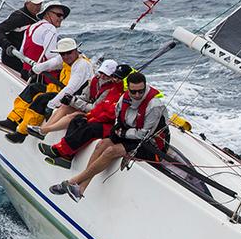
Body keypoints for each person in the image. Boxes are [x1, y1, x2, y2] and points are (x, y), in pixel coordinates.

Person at [49, 72, 169, 200]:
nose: (138, 95)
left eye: (141, 91)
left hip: (150, 144)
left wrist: (123, 133)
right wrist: (118, 130)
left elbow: (144, 134)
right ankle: (80, 189)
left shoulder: (154, 105)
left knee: (111, 151)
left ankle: (72, 181)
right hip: (130, 135)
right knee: (102, 144)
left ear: (145, 87)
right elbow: (119, 117)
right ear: (128, 88)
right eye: (134, 92)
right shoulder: (124, 98)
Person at [0, 37, 93, 142]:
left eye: (69, 52)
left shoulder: (82, 65)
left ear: (76, 51)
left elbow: (71, 88)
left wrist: (52, 104)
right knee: (33, 88)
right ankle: (12, 121)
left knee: (42, 99)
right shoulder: (65, 59)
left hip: (73, 97)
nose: (66, 56)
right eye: (63, 54)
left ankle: (22, 133)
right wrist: (35, 69)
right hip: (60, 91)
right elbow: (50, 63)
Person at [36, 62, 131, 168]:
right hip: (100, 117)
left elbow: (108, 113)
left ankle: (58, 149)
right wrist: (81, 107)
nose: (115, 79)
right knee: (77, 120)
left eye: (118, 78)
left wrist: (87, 114)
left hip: (111, 125)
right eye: (115, 76)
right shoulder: (109, 87)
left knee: (86, 126)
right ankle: (65, 156)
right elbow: (99, 107)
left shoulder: (117, 92)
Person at [19, 0, 70, 83]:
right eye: (59, 15)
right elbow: (50, 55)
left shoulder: (30, 28)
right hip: (39, 79)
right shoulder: (50, 28)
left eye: (62, 16)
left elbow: (22, 53)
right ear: (47, 14)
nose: (61, 18)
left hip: (25, 74)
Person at [0, 0, 43, 76]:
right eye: (35, 4)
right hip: (13, 59)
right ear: (27, 3)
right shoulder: (18, 16)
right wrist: (7, 46)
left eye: (40, 4)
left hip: (29, 60)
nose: (38, 7)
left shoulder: (39, 18)